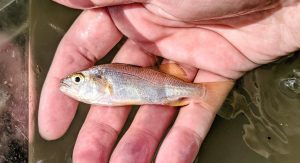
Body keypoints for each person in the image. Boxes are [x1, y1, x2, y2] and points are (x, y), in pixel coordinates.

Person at [38, 0, 300, 162]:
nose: (71, 83)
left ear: (97, 79)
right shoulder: (102, 81)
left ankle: (203, 92)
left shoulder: (104, 77)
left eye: (76, 79)